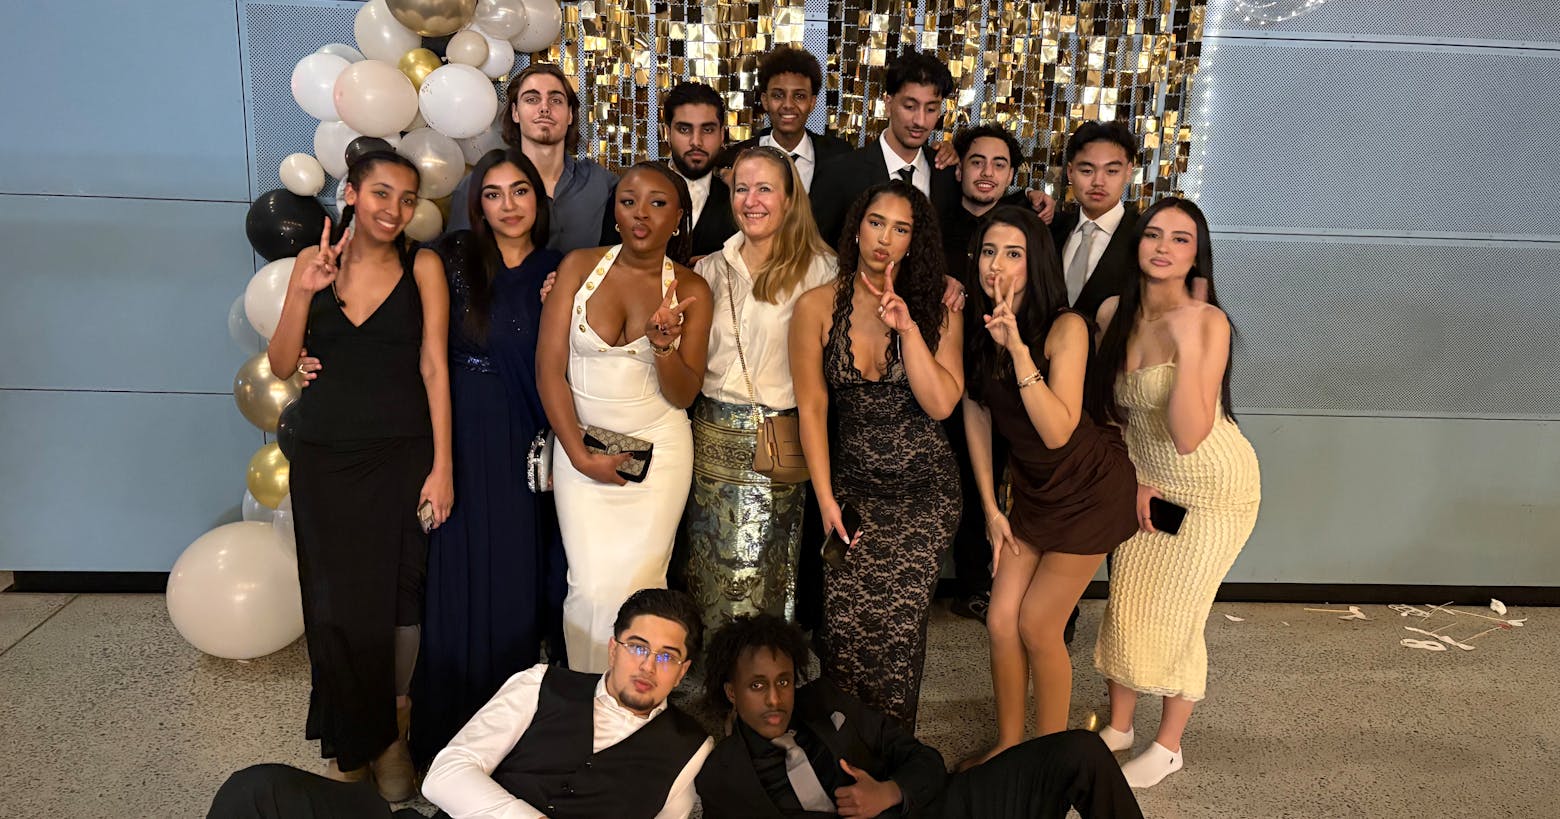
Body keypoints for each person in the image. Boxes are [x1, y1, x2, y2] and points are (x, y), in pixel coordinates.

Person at [264, 151, 453, 801]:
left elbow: (434, 367)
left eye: (406, 198)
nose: (393, 209)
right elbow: (282, 363)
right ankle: (351, 740)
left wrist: (444, 467)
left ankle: (392, 734)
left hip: (402, 456)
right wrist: (303, 289)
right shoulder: (312, 264)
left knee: (400, 599)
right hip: (324, 457)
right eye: (381, 193)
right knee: (335, 603)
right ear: (351, 192)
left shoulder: (423, 266)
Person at [208, 589, 715, 819]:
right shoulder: (541, 684)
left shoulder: (690, 748)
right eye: (638, 647)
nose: (648, 666)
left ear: (683, 670)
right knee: (256, 790)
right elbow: (445, 775)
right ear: (614, 648)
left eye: (667, 657)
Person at [1087, 197, 1261, 788]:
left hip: (1212, 490)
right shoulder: (1113, 313)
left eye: (1180, 239)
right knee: (1127, 602)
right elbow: (1110, 416)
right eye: (1153, 234)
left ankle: (1167, 746)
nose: (1163, 247)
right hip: (1148, 484)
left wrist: (1187, 344)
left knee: (1179, 615)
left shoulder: (1207, 322)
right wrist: (1133, 480)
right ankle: (1119, 727)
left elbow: (1188, 435)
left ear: (1196, 255)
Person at [956, 206, 1137, 768]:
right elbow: (977, 412)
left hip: (1089, 491)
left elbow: (1058, 430)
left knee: (1038, 624)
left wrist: (1017, 350)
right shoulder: (979, 325)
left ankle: (1049, 764)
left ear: (1035, 263)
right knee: (999, 620)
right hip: (1033, 492)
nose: (997, 266)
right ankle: (1010, 747)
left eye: (1013, 254)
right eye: (989, 252)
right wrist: (991, 508)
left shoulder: (1067, 327)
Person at [408, 147, 567, 768]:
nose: (508, 205)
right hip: (463, 435)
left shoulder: (561, 268)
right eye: (493, 194)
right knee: (457, 584)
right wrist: (442, 465)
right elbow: (426, 355)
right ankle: (444, 744)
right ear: (478, 205)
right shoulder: (454, 258)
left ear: (538, 199)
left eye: (519, 191)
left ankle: (505, 748)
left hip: (527, 441)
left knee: (519, 585)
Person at [789, 181, 964, 729]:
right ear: (857, 228)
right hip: (854, 488)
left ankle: (891, 752)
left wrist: (908, 330)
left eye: (901, 228)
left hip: (924, 491)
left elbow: (941, 404)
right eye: (876, 222)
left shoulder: (938, 308)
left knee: (897, 629)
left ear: (914, 241)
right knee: (843, 624)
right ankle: (840, 748)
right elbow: (812, 409)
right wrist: (825, 501)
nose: (885, 238)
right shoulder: (816, 307)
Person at [695, 614, 1145, 819]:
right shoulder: (723, 777)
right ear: (732, 692)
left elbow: (924, 759)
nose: (776, 699)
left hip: (940, 809)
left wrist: (889, 792)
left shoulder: (825, 702)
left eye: (784, 681)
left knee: (1080, 751)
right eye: (757, 686)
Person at [536, 162, 714, 672]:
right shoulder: (577, 267)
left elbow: (683, 394)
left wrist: (662, 347)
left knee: (641, 588)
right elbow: (548, 370)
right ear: (614, 212)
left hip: (658, 457)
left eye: (658, 203)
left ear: (678, 218)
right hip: (579, 448)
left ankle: (637, 705)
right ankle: (587, 702)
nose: (640, 213)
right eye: (628, 201)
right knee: (588, 587)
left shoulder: (692, 289)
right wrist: (578, 456)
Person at [682, 146, 838, 636]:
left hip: (778, 445)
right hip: (709, 441)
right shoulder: (709, 269)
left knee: (769, 571)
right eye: (741, 189)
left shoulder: (822, 271)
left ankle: (765, 672)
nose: (751, 201)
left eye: (765, 189)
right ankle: (711, 673)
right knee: (705, 569)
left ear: (790, 199)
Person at [938, 124, 1031, 626]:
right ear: (959, 168)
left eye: (999, 164)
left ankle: (977, 583)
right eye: (977, 161)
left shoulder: (1021, 226)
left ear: (1012, 174)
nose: (987, 172)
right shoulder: (936, 221)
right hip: (938, 376)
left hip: (997, 376)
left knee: (988, 482)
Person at [446, 63, 617, 254]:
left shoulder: (600, 182)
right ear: (515, 113)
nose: (544, 108)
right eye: (532, 99)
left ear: (570, 114)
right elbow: (458, 261)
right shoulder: (479, 184)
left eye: (556, 100)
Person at [809, 50, 960, 249]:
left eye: (931, 109)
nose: (920, 121)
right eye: (910, 106)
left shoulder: (947, 172)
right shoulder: (840, 173)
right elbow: (816, 249)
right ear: (888, 104)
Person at [604, 81, 739, 259]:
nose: (696, 142)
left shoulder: (738, 200)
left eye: (707, 130)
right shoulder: (629, 191)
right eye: (684, 129)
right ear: (667, 133)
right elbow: (606, 260)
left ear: (722, 135)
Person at [725, 45, 852, 192]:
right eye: (778, 95)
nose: (788, 105)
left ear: (812, 103)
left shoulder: (841, 157)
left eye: (799, 96)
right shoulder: (734, 159)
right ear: (765, 101)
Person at [1049, 121, 1142, 320]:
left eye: (1111, 171)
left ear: (1128, 172)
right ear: (1070, 172)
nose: (1098, 182)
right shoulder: (1051, 230)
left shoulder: (1143, 237)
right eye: (1087, 171)